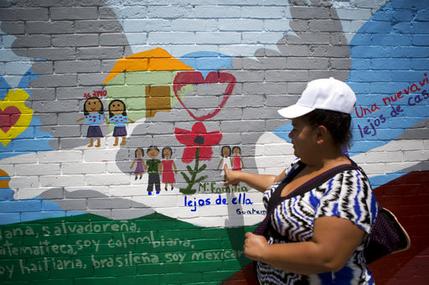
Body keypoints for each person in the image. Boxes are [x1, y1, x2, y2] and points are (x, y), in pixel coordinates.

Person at [224, 77, 379, 284]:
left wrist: (264, 252)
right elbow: (278, 187)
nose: (290, 134)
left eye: (296, 128)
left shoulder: (348, 187)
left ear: (320, 134)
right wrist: (240, 176)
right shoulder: (302, 165)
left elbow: (327, 257)